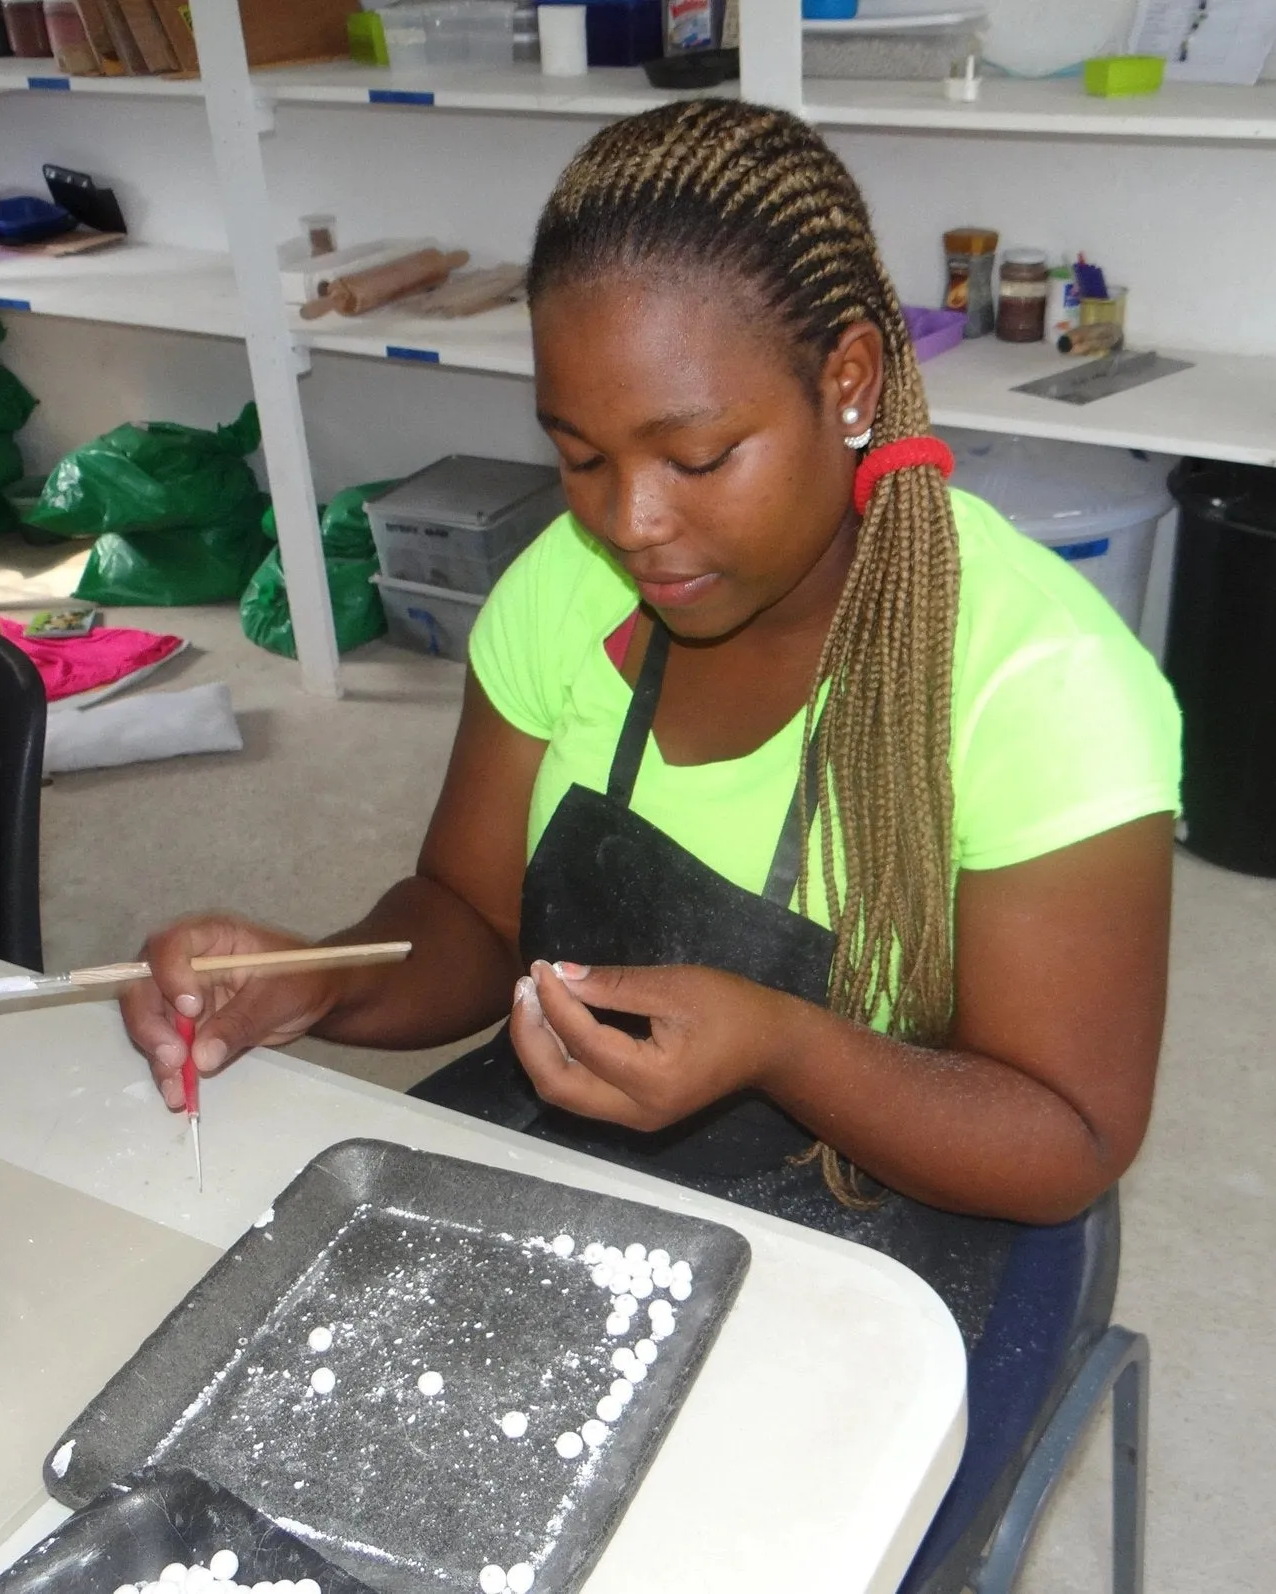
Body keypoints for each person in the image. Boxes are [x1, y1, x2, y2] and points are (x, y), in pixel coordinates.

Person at [122, 101, 1179, 1581]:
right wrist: (317, 978)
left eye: (698, 454)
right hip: (584, 1148)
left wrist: (780, 1045)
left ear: (851, 380)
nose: (633, 521)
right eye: (578, 456)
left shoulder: (1036, 685)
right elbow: (466, 915)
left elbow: (1064, 1138)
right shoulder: (567, 588)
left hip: (916, 1222)